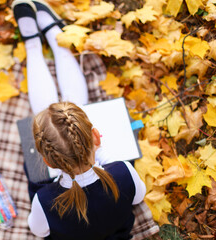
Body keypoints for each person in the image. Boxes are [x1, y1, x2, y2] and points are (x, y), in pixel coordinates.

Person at [12, 0, 146, 239]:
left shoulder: (44, 201)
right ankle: (55, 37)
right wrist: (103, 154)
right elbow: (139, 197)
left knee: (51, 118)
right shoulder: (123, 172)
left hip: (65, 175)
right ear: (96, 136)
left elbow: (39, 231)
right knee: (61, 117)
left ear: (47, 162)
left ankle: (33, 45)